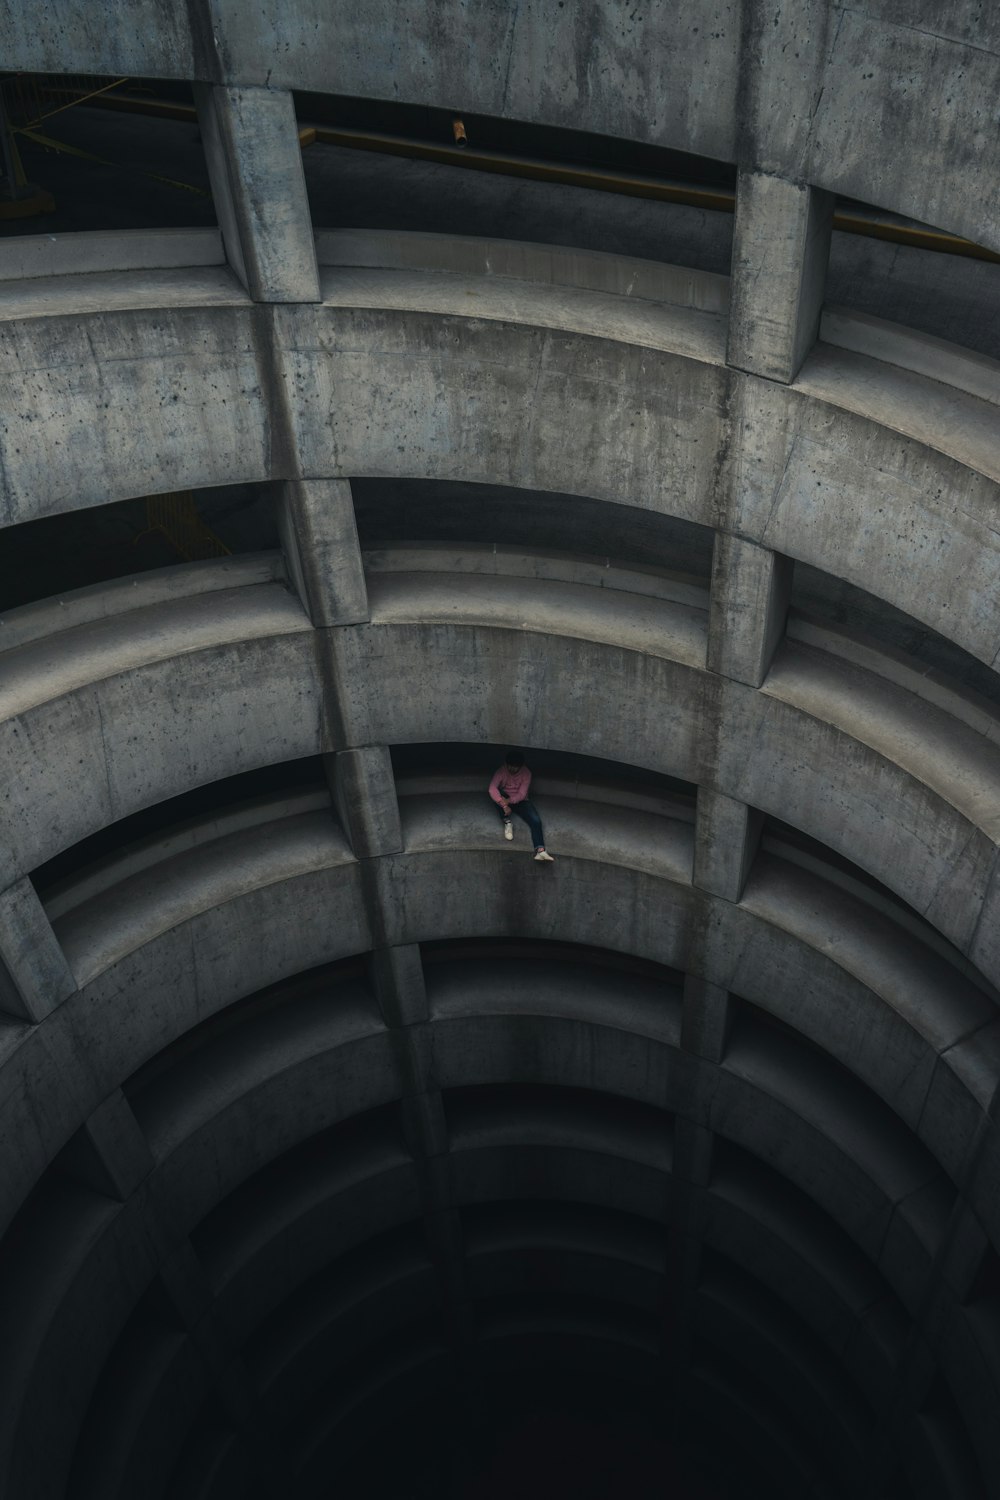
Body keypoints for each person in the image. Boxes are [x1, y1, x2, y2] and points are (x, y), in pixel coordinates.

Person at [488, 750, 554, 861]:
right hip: (505, 798)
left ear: (521, 766)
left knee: (536, 821)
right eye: (510, 766)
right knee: (497, 796)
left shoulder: (526, 773)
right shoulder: (501, 771)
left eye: (515, 767)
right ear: (506, 763)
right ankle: (507, 822)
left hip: (520, 800)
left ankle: (540, 851)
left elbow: (522, 794)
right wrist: (504, 804)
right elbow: (492, 788)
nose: (512, 769)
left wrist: (509, 802)